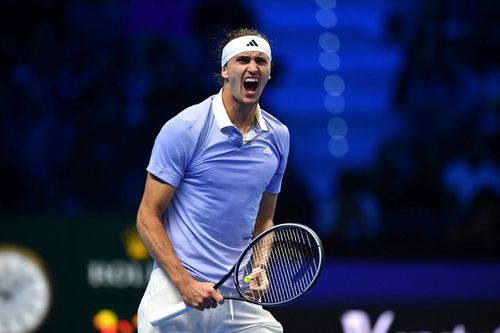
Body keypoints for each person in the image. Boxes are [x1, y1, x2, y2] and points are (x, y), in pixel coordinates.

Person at [136, 28, 289, 333]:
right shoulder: (185, 128)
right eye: (242, 59)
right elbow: (147, 216)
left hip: (237, 296)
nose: (252, 68)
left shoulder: (278, 137)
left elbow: (265, 220)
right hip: (175, 292)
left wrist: (259, 266)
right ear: (224, 71)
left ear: (269, 73)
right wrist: (186, 284)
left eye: (261, 61)